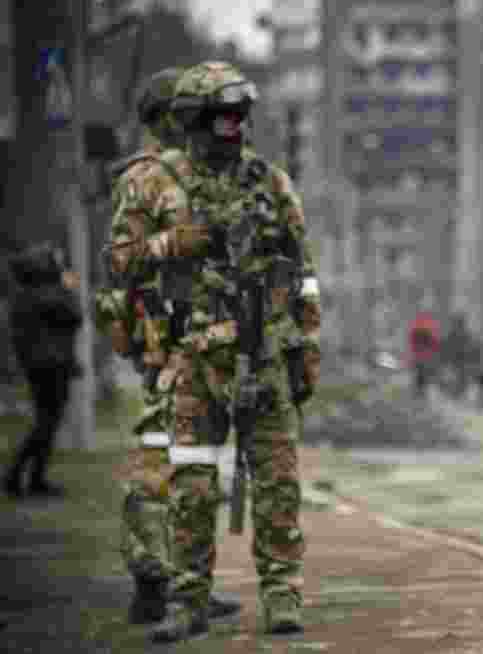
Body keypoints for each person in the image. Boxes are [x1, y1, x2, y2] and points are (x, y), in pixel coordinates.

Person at [105, 61, 321, 642]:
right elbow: (119, 262)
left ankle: (281, 595)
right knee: (193, 487)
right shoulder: (156, 182)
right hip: (196, 363)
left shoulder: (270, 183)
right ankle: (189, 600)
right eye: (219, 117)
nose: (232, 128)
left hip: (265, 357)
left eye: (238, 117)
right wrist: (176, 242)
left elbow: (302, 272)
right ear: (192, 120)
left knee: (277, 485)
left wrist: (307, 347)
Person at [95, 67, 241, 625]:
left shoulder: (200, 173)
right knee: (160, 458)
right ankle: (151, 581)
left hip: (205, 336)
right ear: (165, 117)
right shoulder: (145, 178)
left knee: (196, 464)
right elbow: (121, 259)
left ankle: (188, 581)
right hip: (164, 338)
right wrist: (177, 240)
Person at [3, 242, 82, 499]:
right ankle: (16, 475)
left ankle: (33, 478)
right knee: (47, 424)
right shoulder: (47, 294)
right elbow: (74, 316)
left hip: (42, 367)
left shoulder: (26, 294)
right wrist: (69, 290)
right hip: (52, 367)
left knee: (46, 422)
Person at [408, 308, 441, 397]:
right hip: (423, 361)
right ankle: (420, 392)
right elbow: (435, 344)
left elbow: (413, 345)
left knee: (421, 378)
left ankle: (420, 392)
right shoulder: (426, 328)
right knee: (421, 378)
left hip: (422, 361)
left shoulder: (417, 330)